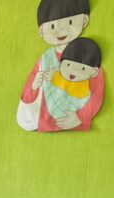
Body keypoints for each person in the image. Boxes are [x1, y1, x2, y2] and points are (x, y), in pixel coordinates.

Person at [17, 0, 103, 132]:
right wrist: (34, 87)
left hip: (74, 118)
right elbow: (30, 91)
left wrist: (81, 116)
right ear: (41, 31)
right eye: (52, 26)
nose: (61, 30)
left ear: (84, 20)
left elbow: (97, 90)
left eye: (70, 22)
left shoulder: (88, 52)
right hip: (46, 120)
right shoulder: (45, 58)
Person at [39, 37, 102, 123]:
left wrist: (54, 78)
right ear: (61, 63)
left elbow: (78, 92)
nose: (73, 71)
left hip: (69, 111)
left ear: (94, 72)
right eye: (68, 65)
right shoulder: (58, 72)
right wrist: (52, 76)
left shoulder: (83, 85)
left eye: (83, 68)